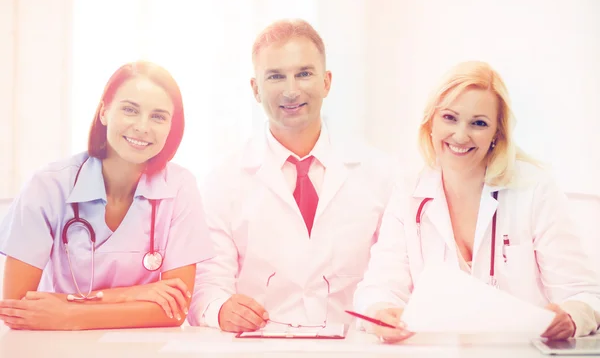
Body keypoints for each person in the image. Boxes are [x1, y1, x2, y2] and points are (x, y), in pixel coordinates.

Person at [353, 61, 600, 342]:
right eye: (449, 118)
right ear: (430, 122)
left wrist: (571, 317)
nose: (460, 135)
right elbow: (377, 288)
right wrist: (382, 312)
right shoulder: (408, 192)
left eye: (479, 123)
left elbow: (584, 294)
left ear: (497, 133)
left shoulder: (534, 189)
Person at [188, 19, 399, 332]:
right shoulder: (221, 181)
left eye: (304, 73)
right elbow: (207, 286)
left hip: (353, 345)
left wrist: (384, 309)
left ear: (326, 82)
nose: (291, 90)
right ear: (256, 89)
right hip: (262, 346)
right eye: (275, 76)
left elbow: (391, 273)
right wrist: (221, 309)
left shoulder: (382, 173)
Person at [0, 61, 214, 330]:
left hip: (143, 348)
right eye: (130, 110)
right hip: (57, 346)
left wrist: (70, 315)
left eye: (158, 116)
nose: (142, 127)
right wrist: (133, 295)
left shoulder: (180, 186)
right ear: (104, 112)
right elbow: (16, 308)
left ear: (172, 126)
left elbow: (175, 310)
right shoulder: (49, 184)